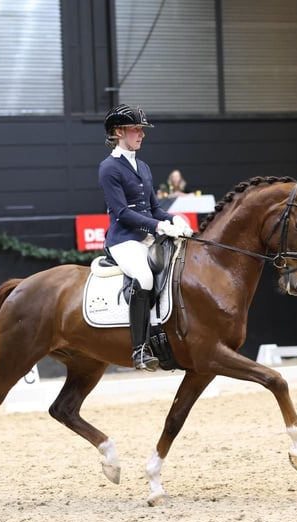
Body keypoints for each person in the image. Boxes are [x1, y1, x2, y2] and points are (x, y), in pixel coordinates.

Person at [98, 104, 193, 371]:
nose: (142, 134)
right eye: (136, 129)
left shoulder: (143, 166)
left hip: (146, 238)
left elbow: (154, 208)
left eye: (142, 129)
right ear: (118, 132)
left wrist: (173, 219)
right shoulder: (109, 168)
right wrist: (159, 226)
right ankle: (140, 349)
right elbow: (122, 212)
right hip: (123, 240)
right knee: (144, 276)